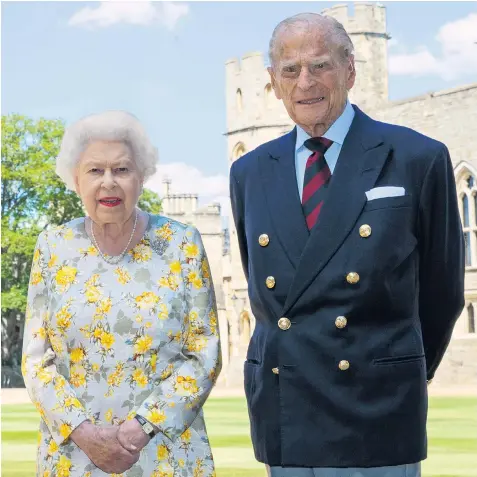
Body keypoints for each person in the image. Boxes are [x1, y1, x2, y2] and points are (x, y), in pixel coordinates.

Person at [229, 12, 465, 477]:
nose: (306, 83)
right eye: (290, 70)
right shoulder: (250, 171)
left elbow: (442, 292)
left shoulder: (417, 157)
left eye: (321, 65)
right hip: (286, 413)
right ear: (272, 83)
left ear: (351, 71)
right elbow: (264, 287)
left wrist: (397, 369)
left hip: (375, 409)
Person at [21, 110, 221, 476]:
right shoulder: (52, 246)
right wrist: (84, 433)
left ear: (141, 177)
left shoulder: (182, 243)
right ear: (75, 180)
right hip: (74, 456)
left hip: (166, 452)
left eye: (122, 170)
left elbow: (205, 353)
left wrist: (142, 426)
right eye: (95, 170)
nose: (109, 182)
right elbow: (35, 359)